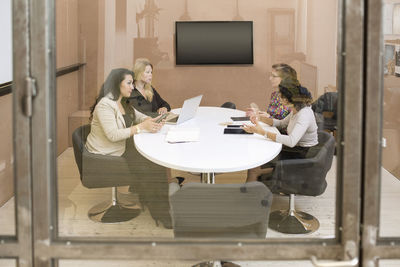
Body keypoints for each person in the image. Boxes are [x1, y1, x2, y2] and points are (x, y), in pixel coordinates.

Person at [86, 68, 173, 228]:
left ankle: (154, 204)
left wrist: (152, 120)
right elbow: (112, 135)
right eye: (129, 83)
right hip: (105, 154)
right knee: (149, 164)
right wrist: (141, 127)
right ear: (116, 84)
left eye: (132, 83)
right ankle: (160, 211)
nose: (132, 87)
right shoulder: (105, 104)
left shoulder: (123, 102)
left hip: (120, 145)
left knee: (154, 161)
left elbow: (139, 116)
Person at [242, 66, 318, 182]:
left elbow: (291, 141)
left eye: (281, 96)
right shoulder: (296, 109)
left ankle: (248, 196)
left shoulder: (304, 114)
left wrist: (262, 132)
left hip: (301, 155)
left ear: (288, 100)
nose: (279, 98)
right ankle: (252, 190)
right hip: (294, 149)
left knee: (254, 168)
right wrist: (259, 117)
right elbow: (281, 123)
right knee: (256, 161)